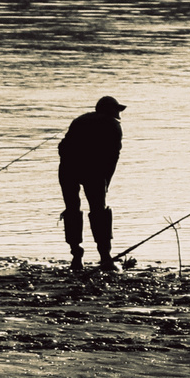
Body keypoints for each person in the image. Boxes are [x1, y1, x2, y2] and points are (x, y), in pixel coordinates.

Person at [59, 96, 124, 272]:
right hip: (93, 171)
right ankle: (105, 258)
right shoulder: (113, 125)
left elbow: (63, 147)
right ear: (110, 111)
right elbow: (113, 157)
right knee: (99, 212)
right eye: (117, 110)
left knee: (72, 210)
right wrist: (106, 182)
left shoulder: (79, 121)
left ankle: (76, 257)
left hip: (67, 169)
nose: (119, 114)